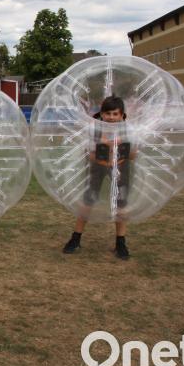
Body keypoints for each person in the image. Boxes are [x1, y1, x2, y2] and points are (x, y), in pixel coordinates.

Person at [62, 96, 136, 260]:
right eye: (107, 113)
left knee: (120, 204)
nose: (111, 117)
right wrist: (103, 147)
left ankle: (120, 243)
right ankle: (76, 238)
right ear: (101, 114)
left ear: (122, 115)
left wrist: (120, 145)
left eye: (115, 114)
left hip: (121, 167)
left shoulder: (128, 130)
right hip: (97, 166)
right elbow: (88, 155)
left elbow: (133, 155)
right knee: (88, 200)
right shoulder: (93, 129)